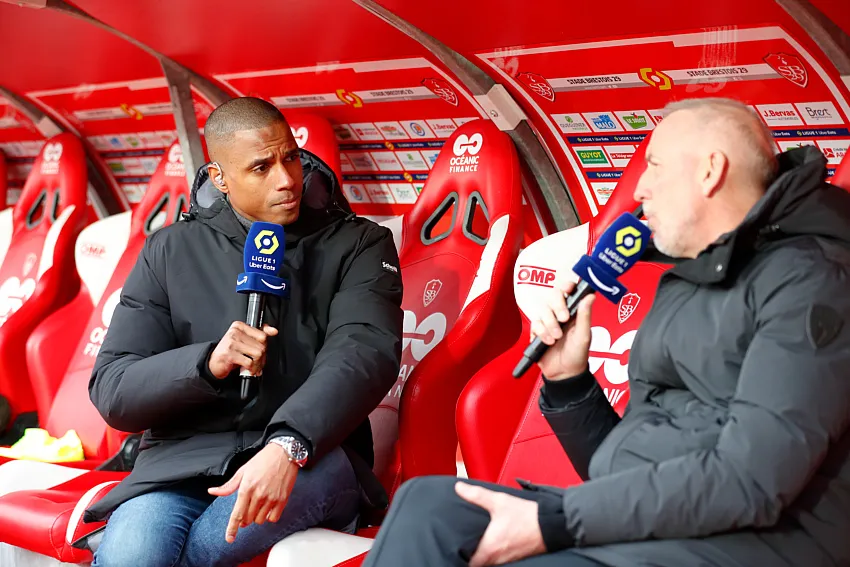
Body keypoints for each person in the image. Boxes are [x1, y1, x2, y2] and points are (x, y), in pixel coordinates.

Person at [362, 97, 850, 567]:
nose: (639, 191)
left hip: (757, 542)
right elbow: (624, 466)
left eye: (654, 166)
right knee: (428, 506)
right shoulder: (687, 278)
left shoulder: (811, 280)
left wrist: (560, 520)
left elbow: (752, 481)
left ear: (710, 171)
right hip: (672, 529)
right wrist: (569, 381)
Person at [84, 97, 404, 567]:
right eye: (261, 167)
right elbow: (113, 389)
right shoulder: (170, 249)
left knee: (211, 546)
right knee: (131, 555)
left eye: (291, 157)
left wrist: (287, 445)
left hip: (310, 456)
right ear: (220, 178)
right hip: (181, 468)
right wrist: (205, 364)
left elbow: (362, 355)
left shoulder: (359, 242)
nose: (287, 179)